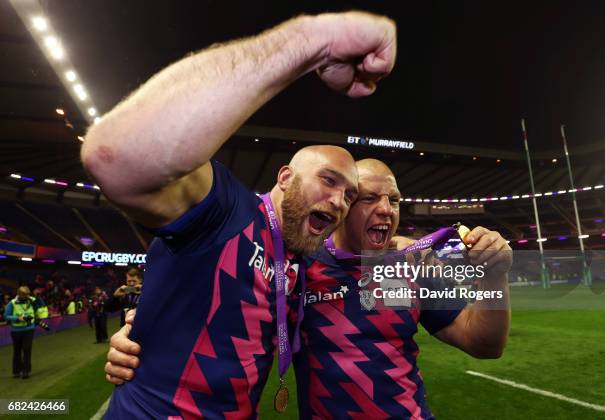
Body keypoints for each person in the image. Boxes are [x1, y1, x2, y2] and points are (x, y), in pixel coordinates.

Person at [82, 11, 396, 419]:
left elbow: (374, 250)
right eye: (329, 181)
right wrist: (313, 40)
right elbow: (112, 156)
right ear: (285, 178)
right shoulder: (228, 209)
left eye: (349, 194)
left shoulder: (302, 258)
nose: (340, 201)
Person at [106, 160, 512, 419]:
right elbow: (206, 294)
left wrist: (495, 278)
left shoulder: (408, 268)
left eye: (394, 199)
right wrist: (136, 332)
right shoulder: (298, 266)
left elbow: (484, 343)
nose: (386, 209)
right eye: (367, 198)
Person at [3, 286, 44, 379]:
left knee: (27, 349)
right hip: (16, 330)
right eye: (25, 295)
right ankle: (16, 371)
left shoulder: (31, 300)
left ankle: (26, 371)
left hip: (29, 329)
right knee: (17, 351)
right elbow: (6, 316)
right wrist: (17, 318)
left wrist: (38, 296)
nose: (27, 296)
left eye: (28, 294)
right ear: (19, 294)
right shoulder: (12, 303)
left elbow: (41, 305)